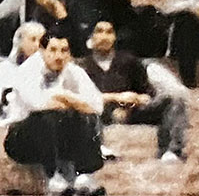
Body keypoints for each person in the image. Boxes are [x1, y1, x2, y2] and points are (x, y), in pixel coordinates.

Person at [3, 30, 106, 195]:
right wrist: (71, 100)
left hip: (60, 135)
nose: (59, 56)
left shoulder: (74, 71)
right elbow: (37, 104)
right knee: (48, 116)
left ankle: (84, 175)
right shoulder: (28, 70)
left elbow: (97, 105)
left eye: (64, 51)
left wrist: (66, 98)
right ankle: (53, 176)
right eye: (53, 50)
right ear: (42, 51)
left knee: (87, 117)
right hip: (22, 137)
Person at [79, 18, 189, 162]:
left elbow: (147, 94)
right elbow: (82, 98)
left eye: (109, 32)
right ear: (91, 38)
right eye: (99, 31)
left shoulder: (128, 61)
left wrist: (136, 100)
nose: (105, 36)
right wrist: (116, 98)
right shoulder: (83, 67)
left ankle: (172, 151)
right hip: (99, 114)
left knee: (174, 100)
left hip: (130, 112)